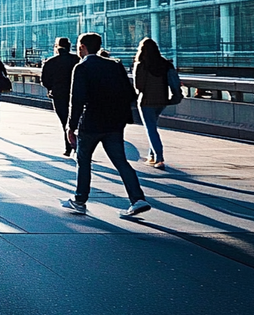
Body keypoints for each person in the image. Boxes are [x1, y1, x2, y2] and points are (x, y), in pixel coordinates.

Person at [61, 33, 152, 219]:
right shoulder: (115, 65)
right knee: (120, 161)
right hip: (114, 122)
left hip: (91, 122)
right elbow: (129, 93)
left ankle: (79, 200)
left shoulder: (81, 67)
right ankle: (137, 199)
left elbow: (76, 100)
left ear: (82, 47)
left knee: (83, 160)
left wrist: (70, 126)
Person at [133, 38, 174, 170]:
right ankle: (151, 155)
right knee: (153, 127)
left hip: (146, 101)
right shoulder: (165, 64)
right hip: (162, 100)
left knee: (151, 129)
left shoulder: (141, 65)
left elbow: (138, 86)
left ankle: (159, 157)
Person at [41, 37, 79, 156]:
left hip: (59, 95)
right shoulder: (77, 59)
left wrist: (51, 88)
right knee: (78, 120)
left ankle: (69, 147)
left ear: (57, 47)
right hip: (78, 94)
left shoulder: (50, 62)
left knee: (65, 121)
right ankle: (79, 146)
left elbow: (44, 80)